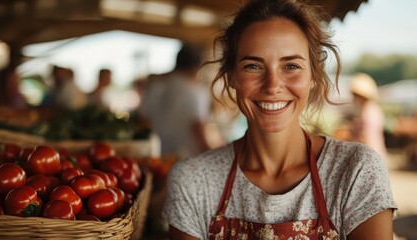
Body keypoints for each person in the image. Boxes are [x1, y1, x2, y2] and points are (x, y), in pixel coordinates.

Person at [162, 0, 397, 239]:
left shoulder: (356, 171)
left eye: (291, 66)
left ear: (313, 76)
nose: (272, 85)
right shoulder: (193, 180)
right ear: (231, 76)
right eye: (253, 66)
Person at [139, 43, 211, 158]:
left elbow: (143, 121)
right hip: (188, 159)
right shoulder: (196, 92)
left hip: (159, 158)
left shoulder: (156, 86)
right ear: (197, 67)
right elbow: (198, 128)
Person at [348, 73, 388, 161]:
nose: (354, 97)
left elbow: (367, 136)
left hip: (371, 155)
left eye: (355, 95)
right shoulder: (369, 109)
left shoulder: (369, 111)